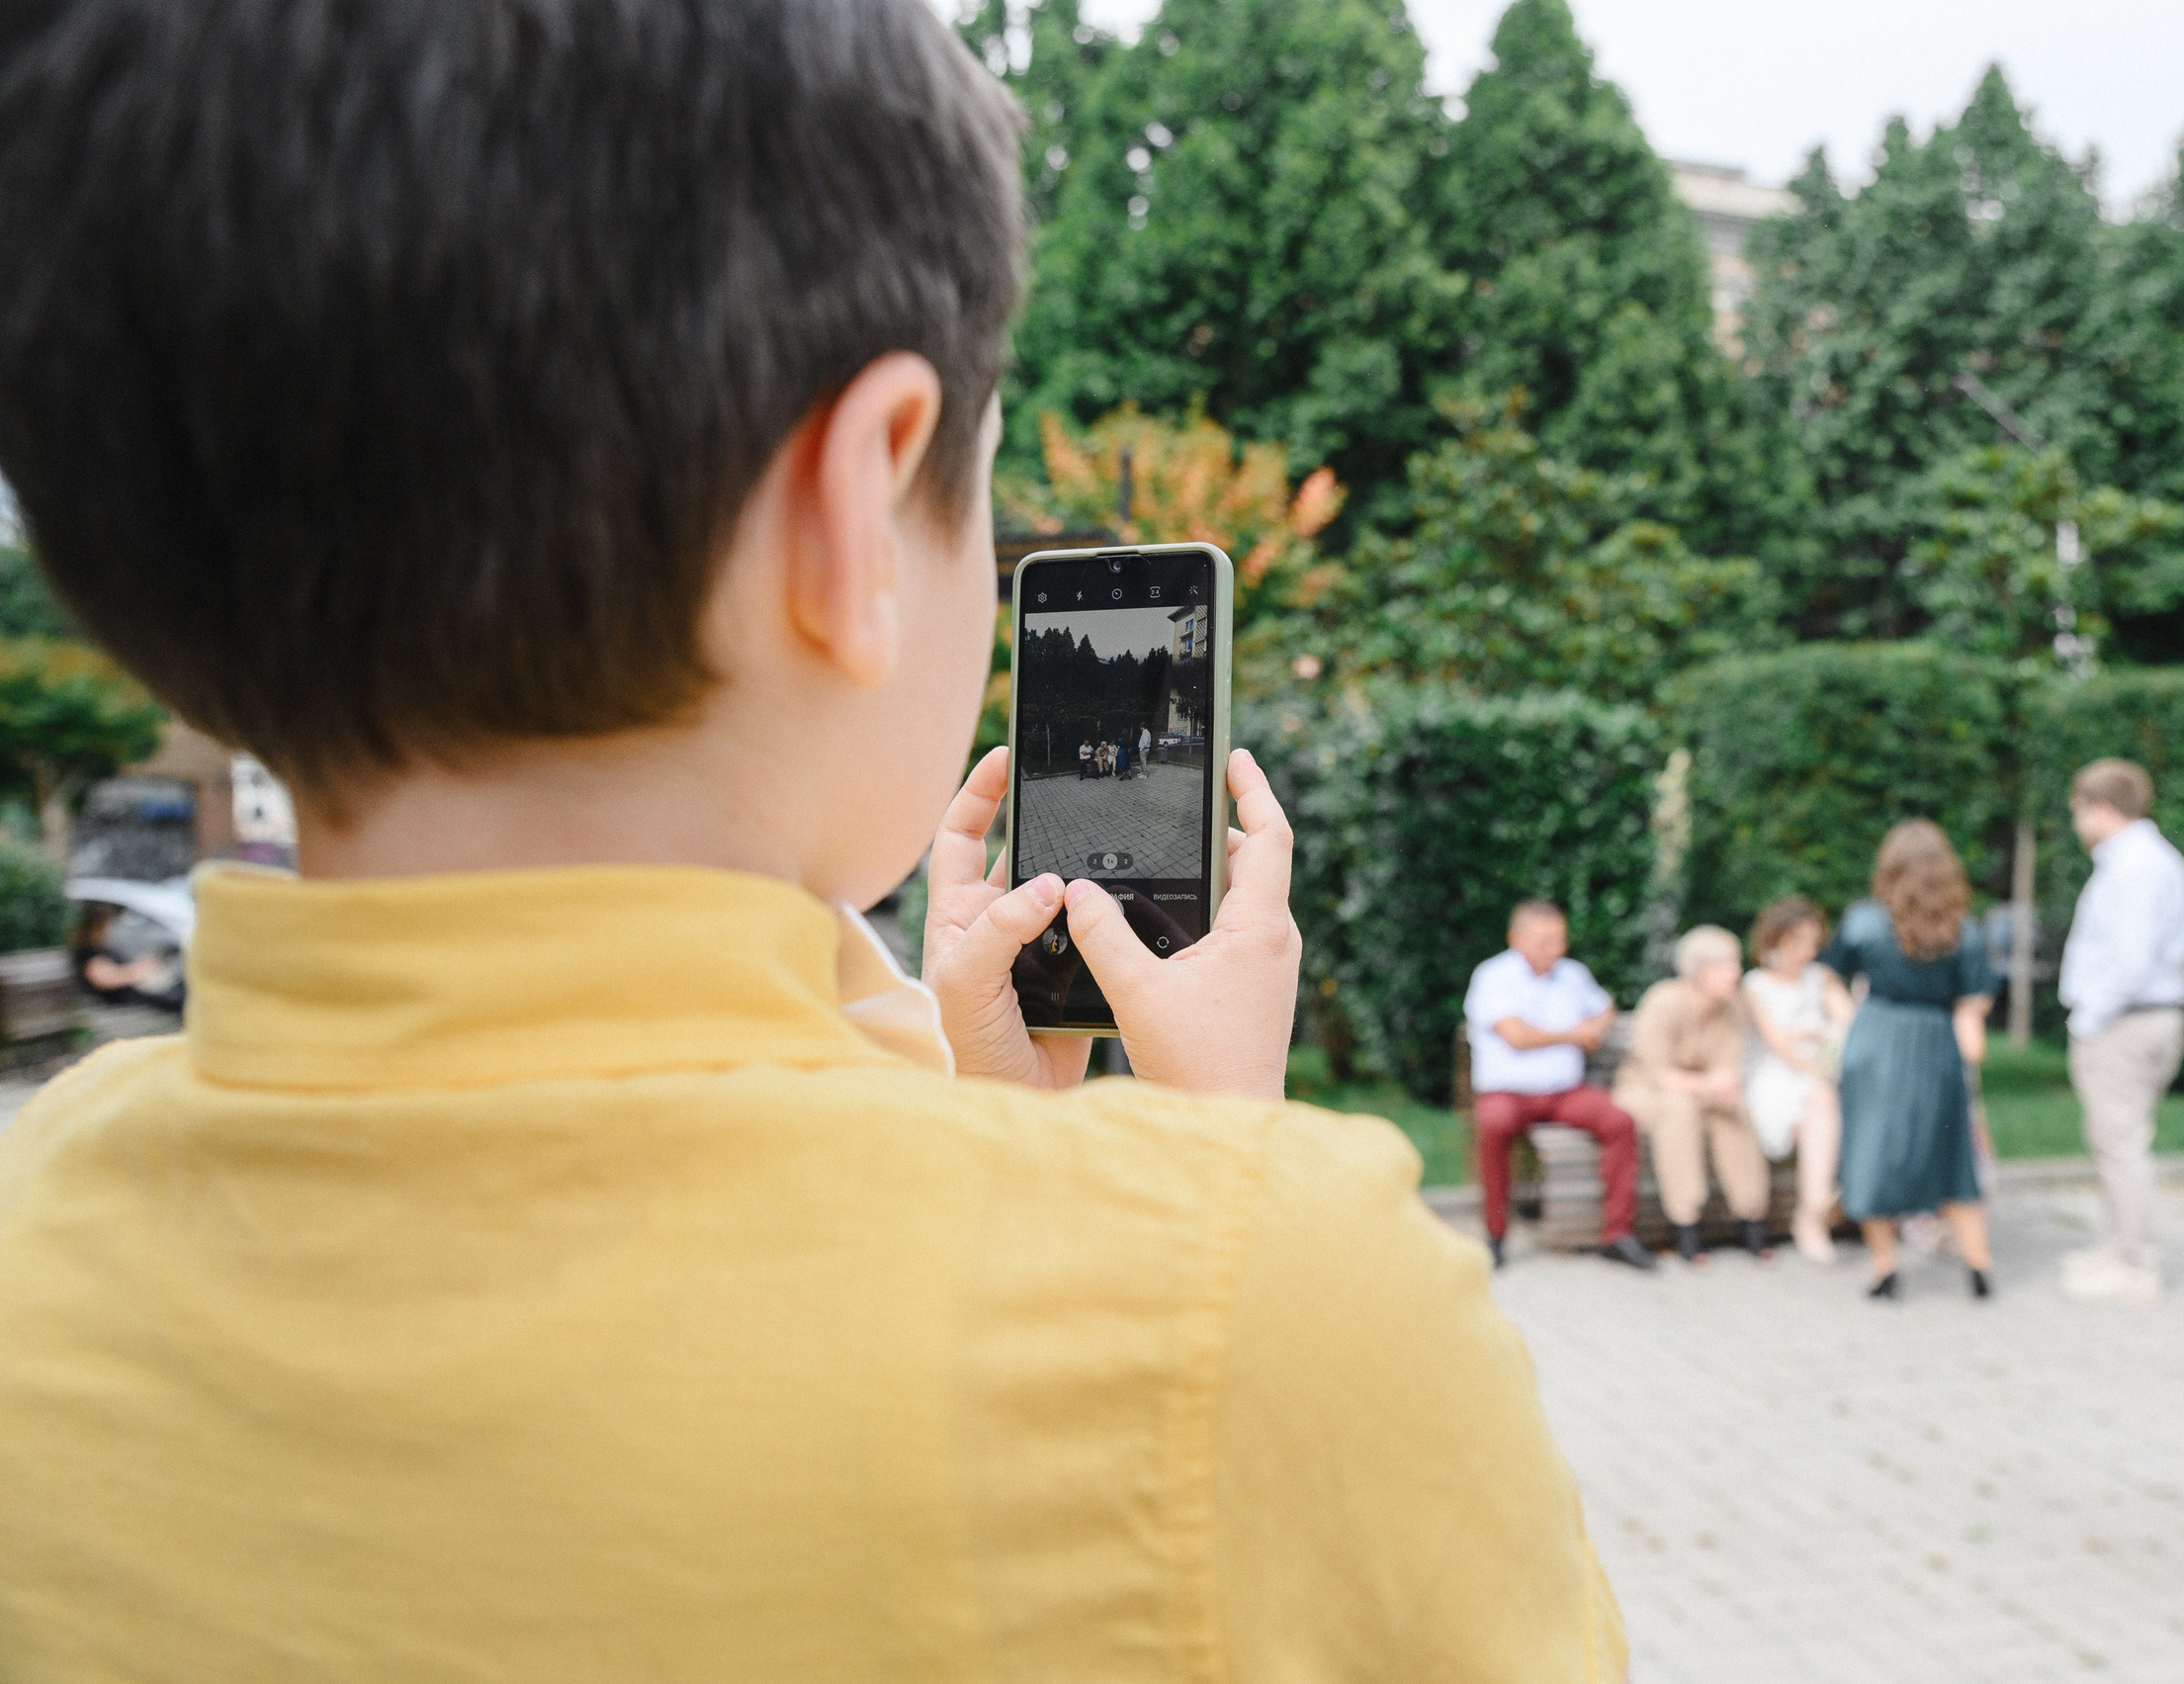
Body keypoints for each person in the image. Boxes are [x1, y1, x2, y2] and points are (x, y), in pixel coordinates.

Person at [0, 6, 1627, 1679]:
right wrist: (1220, 1169)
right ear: (862, 498)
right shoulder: (1253, 1315)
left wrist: (1011, 1144)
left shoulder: (37, 1224)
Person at [1822, 822, 1998, 1302]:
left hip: (1874, 1040)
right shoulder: (1963, 930)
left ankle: (1884, 1269)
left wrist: (1852, 1019)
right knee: (1950, 1154)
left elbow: (1830, 976)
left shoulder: (1863, 921)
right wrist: (1969, 1038)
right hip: (1935, 1042)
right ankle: (1978, 1265)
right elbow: (1973, 999)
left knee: (1870, 1153)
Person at [2058, 757, 2184, 1306]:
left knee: (2121, 1145)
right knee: (2115, 1140)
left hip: (2126, 1021)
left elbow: (2131, 959)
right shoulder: (2145, 860)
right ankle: (2118, 1246)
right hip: (2140, 1016)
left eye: (2078, 811)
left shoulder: (2136, 866)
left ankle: (2135, 1262)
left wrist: (2091, 1019)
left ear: (2100, 808)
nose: (2075, 824)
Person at [1466, 902, 1658, 1273]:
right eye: (1545, 941)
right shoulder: (1492, 976)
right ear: (1516, 939)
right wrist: (1575, 1034)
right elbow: (1515, 1036)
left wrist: (1597, 1027)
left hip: (1564, 1093)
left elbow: (1604, 1007)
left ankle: (1618, 1234)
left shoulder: (1573, 974)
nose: (1556, 949)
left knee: (1620, 1121)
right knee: (1493, 1126)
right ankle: (1495, 1234)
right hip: (1508, 1092)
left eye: (1559, 940)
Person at [1613, 926, 1770, 1266]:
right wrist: (1710, 1086)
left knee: (1733, 1109)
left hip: (1700, 1091)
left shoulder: (1731, 1009)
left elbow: (1728, 1066)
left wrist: (1724, 1087)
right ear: (1701, 971)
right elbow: (1657, 1073)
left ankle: (1751, 1215)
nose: (1736, 974)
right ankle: (1685, 1222)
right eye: (1728, 966)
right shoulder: (1663, 1000)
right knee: (1679, 1109)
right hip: (1645, 1092)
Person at [1739, 896, 1850, 1265]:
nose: (1808, 950)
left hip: (1819, 1076)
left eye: (1813, 942)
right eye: (1799, 941)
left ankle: (1816, 1210)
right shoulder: (1755, 984)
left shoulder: (1821, 979)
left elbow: (1850, 1023)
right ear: (1778, 939)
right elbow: (1777, 1045)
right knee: (1822, 1099)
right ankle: (1814, 1212)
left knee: (1824, 1100)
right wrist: (1812, 1048)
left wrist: (1827, 1036)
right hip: (1775, 1076)